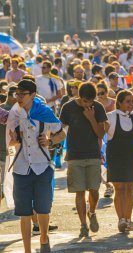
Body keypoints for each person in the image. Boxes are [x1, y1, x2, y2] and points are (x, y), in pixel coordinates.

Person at [8, 80, 66, 253]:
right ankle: (27, 250)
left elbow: (61, 133)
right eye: (17, 94)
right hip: (21, 167)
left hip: (42, 166)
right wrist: (13, 139)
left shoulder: (44, 112)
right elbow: (9, 141)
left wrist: (50, 141)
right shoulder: (14, 114)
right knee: (24, 213)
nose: (18, 97)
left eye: (22, 94)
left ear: (32, 95)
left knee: (43, 209)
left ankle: (43, 237)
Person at [59, 82, 108, 237]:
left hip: (93, 154)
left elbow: (101, 134)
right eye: (86, 101)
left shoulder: (98, 107)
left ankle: (91, 212)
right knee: (79, 192)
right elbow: (59, 128)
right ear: (79, 97)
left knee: (94, 191)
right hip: (74, 156)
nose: (89, 104)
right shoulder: (68, 107)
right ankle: (83, 225)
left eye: (91, 101)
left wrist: (91, 117)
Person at [105, 90, 133, 232]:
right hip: (115, 158)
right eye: (128, 101)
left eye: (132, 101)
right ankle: (121, 220)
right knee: (119, 189)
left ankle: (128, 220)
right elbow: (99, 135)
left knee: (129, 189)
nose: (131, 104)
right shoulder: (110, 117)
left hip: (132, 158)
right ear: (119, 102)